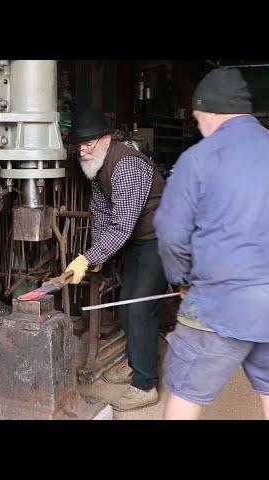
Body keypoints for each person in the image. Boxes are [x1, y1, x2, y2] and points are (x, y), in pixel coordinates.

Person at [154, 68, 269, 420]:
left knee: (185, 392)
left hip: (222, 302)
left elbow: (170, 232)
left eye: (197, 120)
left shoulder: (199, 157)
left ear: (209, 112)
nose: (200, 129)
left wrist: (182, 281)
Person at [65, 107, 168, 411]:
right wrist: (99, 252)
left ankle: (145, 383)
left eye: (88, 144)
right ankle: (136, 362)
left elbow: (122, 223)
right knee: (126, 305)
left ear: (107, 139)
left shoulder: (124, 166)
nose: (82, 150)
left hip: (161, 239)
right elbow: (101, 213)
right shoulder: (97, 167)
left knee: (140, 309)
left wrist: (89, 256)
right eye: (79, 146)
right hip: (139, 240)